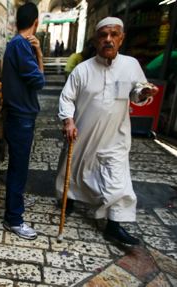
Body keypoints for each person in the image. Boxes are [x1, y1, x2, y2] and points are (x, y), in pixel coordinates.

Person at [55, 17, 159, 245]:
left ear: (121, 39)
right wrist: (68, 120)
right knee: (73, 170)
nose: (108, 40)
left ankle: (114, 225)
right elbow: (67, 98)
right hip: (84, 135)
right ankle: (69, 197)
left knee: (118, 180)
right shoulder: (82, 70)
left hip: (116, 137)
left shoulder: (130, 65)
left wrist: (143, 93)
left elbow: (136, 92)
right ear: (95, 40)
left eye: (113, 35)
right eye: (103, 35)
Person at [1, 2, 45, 240]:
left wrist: (37, 52)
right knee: (19, 170)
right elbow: (39, 81)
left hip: (21, 117)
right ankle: (14, 219)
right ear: (35, 22)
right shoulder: (20, 45)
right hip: (20, 118)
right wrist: (39, 53)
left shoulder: (17, 45)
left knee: (19, 167)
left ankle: (13, 214)